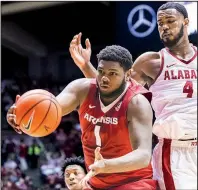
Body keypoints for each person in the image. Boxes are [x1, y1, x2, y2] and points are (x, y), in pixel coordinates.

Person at [68, 2, 197, 190]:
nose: (165, 27)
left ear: (186, 22)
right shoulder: (150, 62)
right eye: (160, 23)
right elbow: (114, 91)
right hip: (175, 151)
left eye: (170, 21)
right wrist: (86, 67)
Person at [7, 45, 157, 189]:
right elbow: (51, 108)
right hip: (95, 182)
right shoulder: (82, 89)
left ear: (128, 74)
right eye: (101, 71)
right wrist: (21, 113)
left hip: (134, 181)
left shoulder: (137, 103)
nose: (104, 78)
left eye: (112, 73)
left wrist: (107, 165)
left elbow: (143, 155)